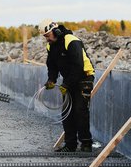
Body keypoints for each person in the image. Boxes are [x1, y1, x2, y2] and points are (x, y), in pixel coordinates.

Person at [39, 19, 95, 153]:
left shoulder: (71, 40)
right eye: (45, 37)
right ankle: (70, 145)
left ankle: (86, 144)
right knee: (67, 112)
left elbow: (78, 66)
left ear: (55, 31)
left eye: (48, 35)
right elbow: (51, 66)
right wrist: (51, 79)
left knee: (80, 111)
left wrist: (66, 84)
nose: (47, 39)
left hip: (84, 77)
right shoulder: (51, 46)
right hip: (69, 80)